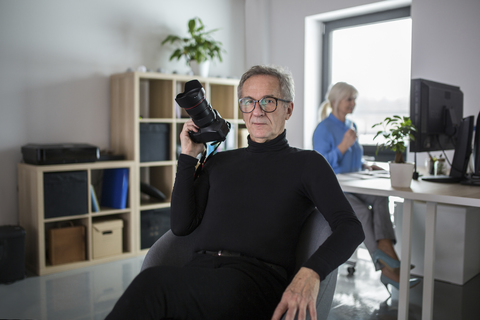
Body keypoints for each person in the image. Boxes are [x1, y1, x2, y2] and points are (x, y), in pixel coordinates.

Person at [105, 66, 364, 320]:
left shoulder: (308, 164)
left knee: (153, 286)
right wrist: (187, 157)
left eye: (268, 101)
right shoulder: (219, 162)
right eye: (248, 102)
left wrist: (311, 271)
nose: (257, 111)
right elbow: (181, 226)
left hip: (254, 284)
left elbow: (351, 227)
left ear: (289, 109)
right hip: (200, 274)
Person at [312, 82, 420, 292]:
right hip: (335, 187)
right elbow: (321, 165)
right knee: (361, 212)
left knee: (380, 199)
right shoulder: (323, 128)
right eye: (349, 99)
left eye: (354, 99)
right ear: (336, 102)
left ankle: (388, 259)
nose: (353, 103)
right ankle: (390, 268)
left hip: (355, 183)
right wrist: (343, 146)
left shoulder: (351, 125)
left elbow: (352, 160)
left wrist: (365, 165)